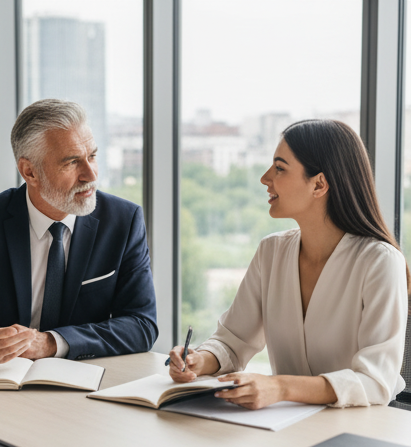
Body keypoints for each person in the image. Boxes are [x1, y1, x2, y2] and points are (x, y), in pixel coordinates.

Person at [168, 119, 408, 409]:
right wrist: (199, 360)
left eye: (280, 168)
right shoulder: (271, 252)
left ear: (319, 184)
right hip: (283, 427)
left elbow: (375, 380)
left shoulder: (380, 262)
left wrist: (280, 387)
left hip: (356, 433)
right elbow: (233, 341)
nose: (265, 178)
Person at [0, 98, 157, 365]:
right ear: (29, 171)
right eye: (71, 162)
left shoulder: (124, 221)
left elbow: (141, 325)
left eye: (92, 156)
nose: (90, 175)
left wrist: (52, 343)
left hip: (88, 382)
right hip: (1, 383)